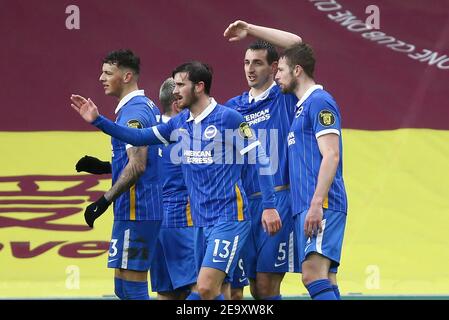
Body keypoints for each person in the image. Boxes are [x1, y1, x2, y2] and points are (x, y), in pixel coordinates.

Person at [70, 61, 281, 300]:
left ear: (199, 87)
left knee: (205, 288)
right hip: (200, 223)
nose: (175, 91)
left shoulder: (228, 118)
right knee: (208, 293)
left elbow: (261, 158)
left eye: (181, 85)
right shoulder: (180, 124)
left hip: (230, 217)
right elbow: (139, 136)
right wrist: (99, 121)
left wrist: (270, 206)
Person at [74, 49, 163, 300]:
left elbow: (137, 165)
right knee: (122, 288)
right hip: (139, 209)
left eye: (108, 73)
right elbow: (143, 158)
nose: (101, 78)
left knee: (132, 288)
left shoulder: (133, 113)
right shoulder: (142, 106)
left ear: (126, 77)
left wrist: (103, 201)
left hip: (139, 209)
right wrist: (105, 166)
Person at [224, 21, 301, 300]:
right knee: (240, 291)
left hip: (278, 200)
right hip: (242, 204)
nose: (250, 69)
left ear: (273, 68)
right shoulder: (232, 107)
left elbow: (295, 43)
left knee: (266, 288)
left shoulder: (284, 96)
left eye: (257, 63)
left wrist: (251, 29)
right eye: (246, 62)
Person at [276, 42, 348, 299]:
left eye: (281, 69)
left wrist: (317, 203)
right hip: (306, 204)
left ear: (297, 70)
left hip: (322, 203)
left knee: (312, 274)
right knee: (325, 277)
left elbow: (332, 154)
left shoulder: (320, 101)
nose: (276, 76)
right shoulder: (300, 107)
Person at [149, 78, 197, 300]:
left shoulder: (150, 131)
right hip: (183, 217)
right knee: (202, 286)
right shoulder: (188, 132)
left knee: (166, 292)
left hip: (155, 219)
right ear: (178, 103)